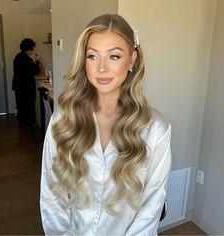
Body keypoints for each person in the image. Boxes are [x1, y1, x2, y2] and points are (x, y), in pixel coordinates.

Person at [40, 14, 172, 235]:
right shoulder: (63, 120)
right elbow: (52, 193)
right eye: (92, 56)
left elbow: (152, 205)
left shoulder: (156, 128)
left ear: (132, 59)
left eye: (114, 56)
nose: (101, 68)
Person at [12, 38, 40, 127]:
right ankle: (30, 123)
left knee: (20, 104)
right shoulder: (27, 60)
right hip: (26, 86)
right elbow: (35, 71)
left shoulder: (17, 57)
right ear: (28, 48)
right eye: (32, 49)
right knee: (29, 104)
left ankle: (22, 123)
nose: (32, 51)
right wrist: (37, 60)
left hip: (18, 85)